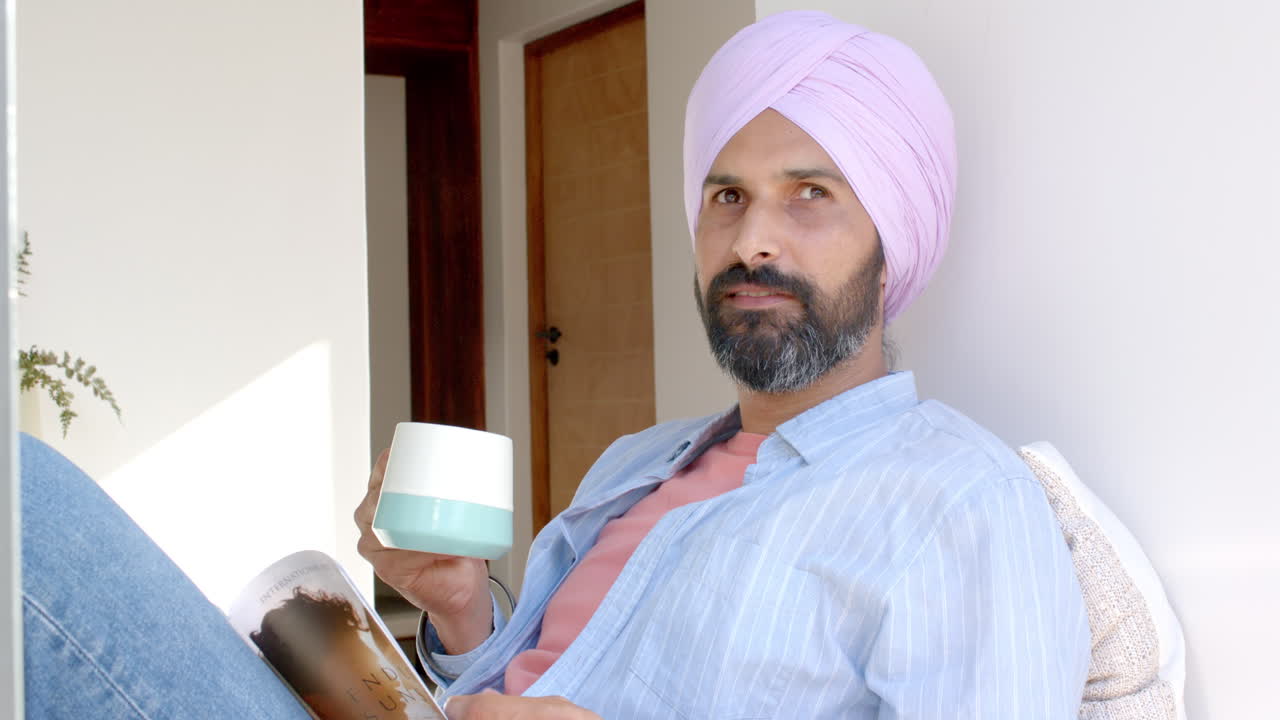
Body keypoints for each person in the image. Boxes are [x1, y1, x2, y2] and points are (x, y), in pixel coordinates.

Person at [353, 10, 1090, 720]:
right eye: (728, 197)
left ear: (891, 242)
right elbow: (532, 676)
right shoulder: (633, 463)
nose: (751, 242)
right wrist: (460, 612)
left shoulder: (958, 504)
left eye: (810, 194)